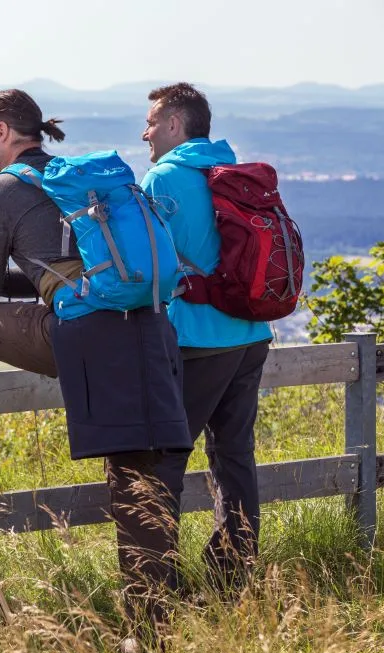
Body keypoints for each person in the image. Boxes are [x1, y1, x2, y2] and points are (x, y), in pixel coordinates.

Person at [0, 89, 191, 641]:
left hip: (86, 335)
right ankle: (154, 630)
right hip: (147, 330)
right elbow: (63, 270)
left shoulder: (2, 191)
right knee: (142, 482)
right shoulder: (77, 183)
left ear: (2, 131)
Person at [140, 82, 274, 592]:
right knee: (234, 455)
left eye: (152, 122)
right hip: (250, 332)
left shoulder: (165, 177)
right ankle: (233, 576)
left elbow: (147, 262)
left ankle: (158, 585)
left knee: (166, 456)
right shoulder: (230, 170)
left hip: (198, 337)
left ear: (175, 125)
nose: (145, 133)